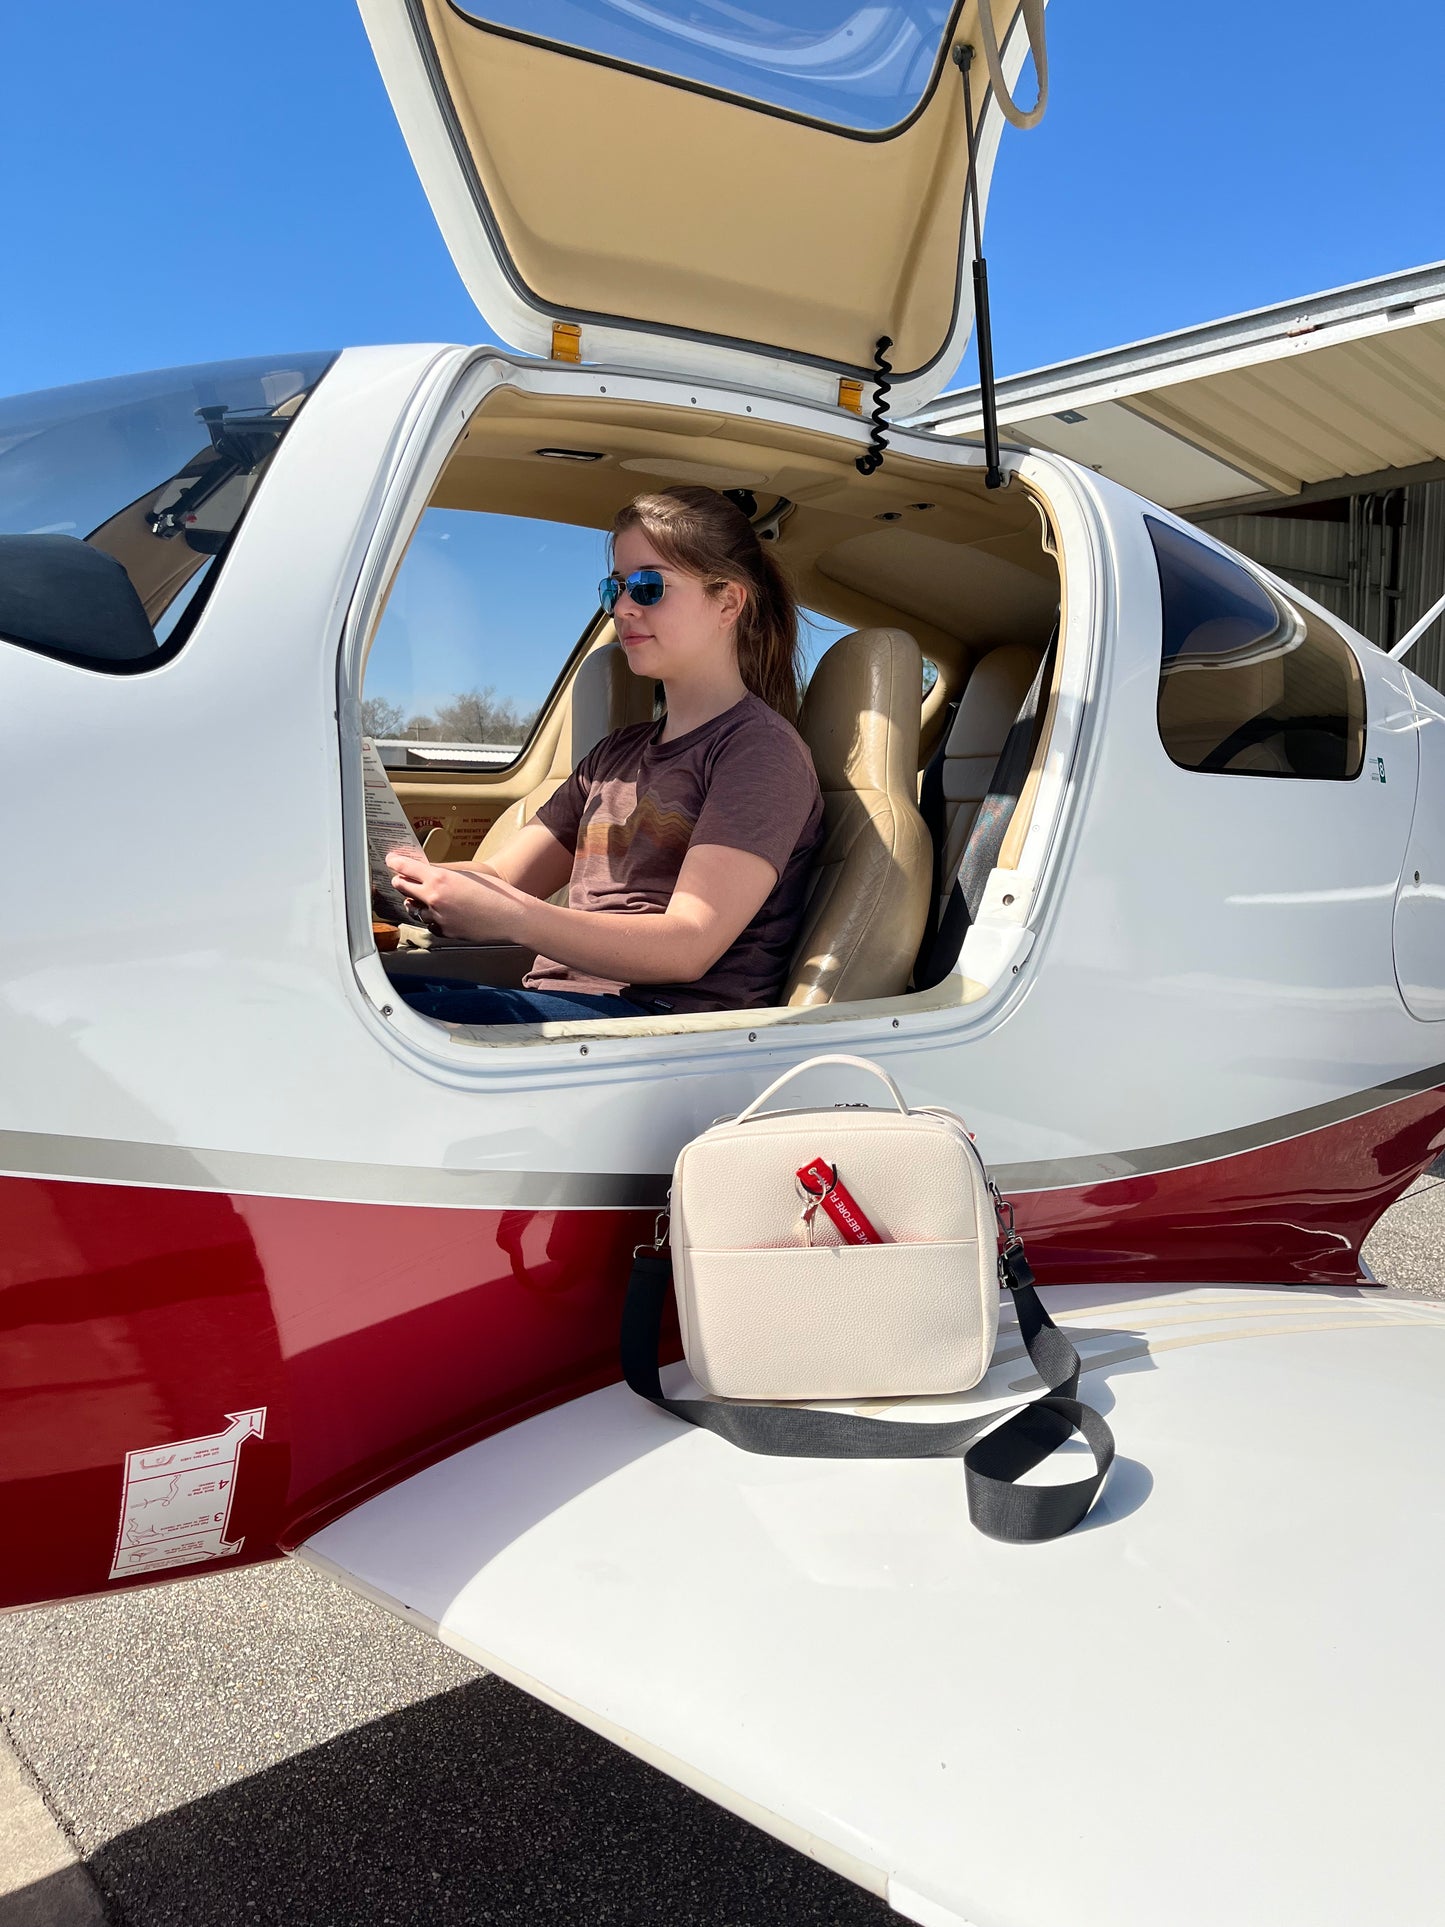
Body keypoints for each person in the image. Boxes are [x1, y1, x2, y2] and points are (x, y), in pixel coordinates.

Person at [386, 485, 825, 1024]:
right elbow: (503, 877)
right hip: (575, 1007)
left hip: (663, 1025)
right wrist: (405, 879)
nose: (621, 607)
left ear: (728, 602)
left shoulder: (759, 752)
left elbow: (688, 946)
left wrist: (518, 920)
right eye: (613, 587)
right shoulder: (616, 752)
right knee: (352, 1000)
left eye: (647, 586)